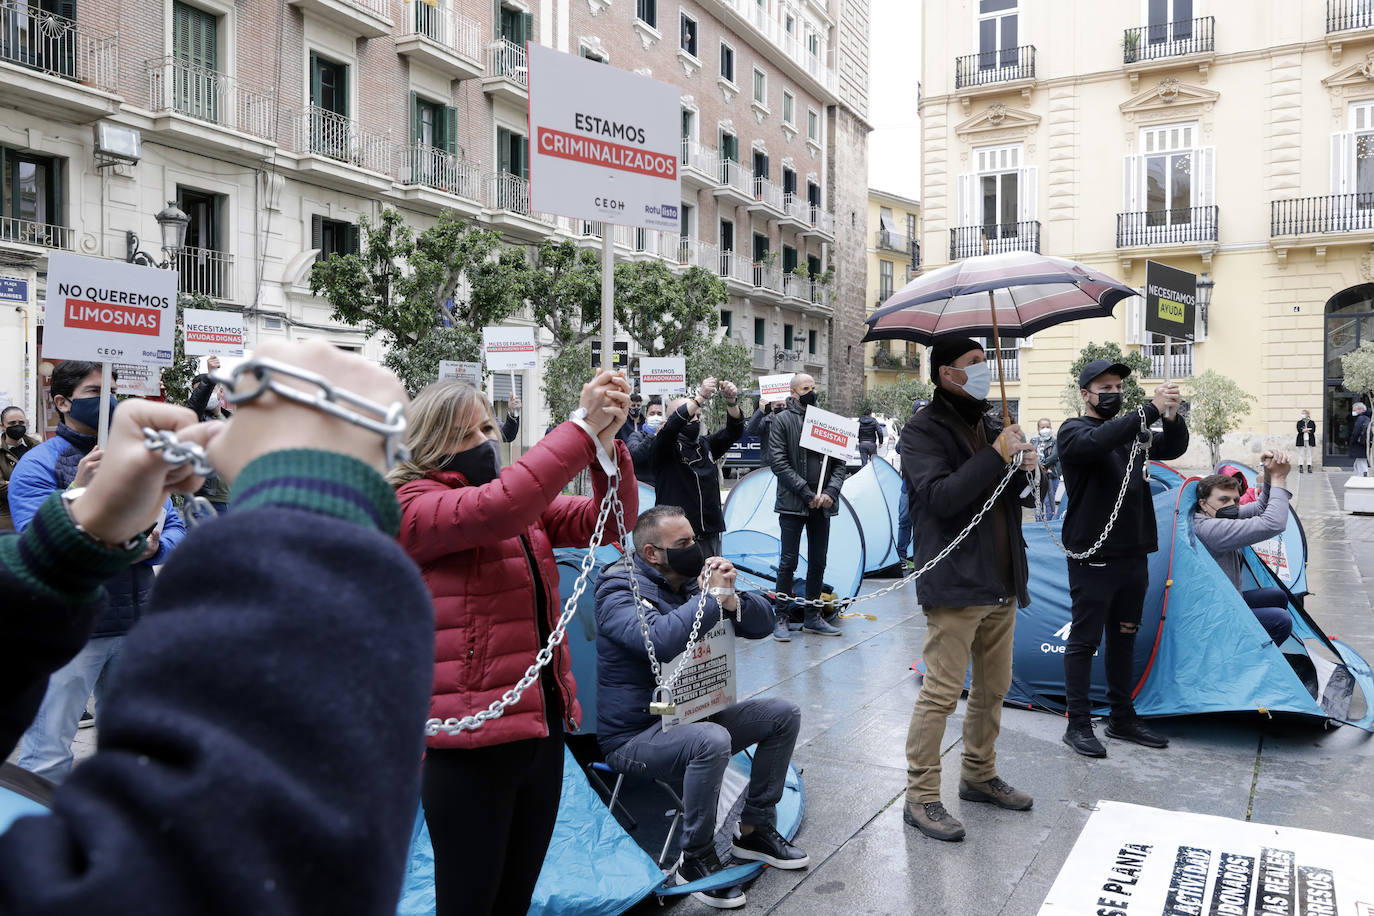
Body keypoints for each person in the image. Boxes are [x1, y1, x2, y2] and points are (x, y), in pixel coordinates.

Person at [0, 341, 434, 914]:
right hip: (99, 628)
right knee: (52, 744)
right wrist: (311, 506)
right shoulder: (37, 463)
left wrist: (79, 539)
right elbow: (218, 869)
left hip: (119, 611)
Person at [390, 369, 636, 916]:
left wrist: (607, 446)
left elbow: (611, 521)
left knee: (515, 898)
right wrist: (577, 427)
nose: (488, 442)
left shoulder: (515, 505)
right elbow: (502, 506)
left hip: (539, 732)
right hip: (469, 749)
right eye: (468, 434)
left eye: (487, 429)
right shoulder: (410, 507)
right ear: (429, 444)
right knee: (469, 902)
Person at [595, 505, 807, 908]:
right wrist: (711, 597)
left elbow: (761, 625)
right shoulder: (617, 589)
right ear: (653, 553)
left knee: (782, 713)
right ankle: (695, 857)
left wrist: (730, 600)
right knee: (711, 739)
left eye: (694, 538)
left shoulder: (692, 582)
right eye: (684, 543)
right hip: (636, 734)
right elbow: (657, 640)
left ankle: (755, 828)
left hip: (694, 712)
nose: (696, 548)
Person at [8, 361, 187, 782]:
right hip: (70, 630)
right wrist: (77, 494)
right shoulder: (37, 464)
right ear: (61, 402)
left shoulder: (137, 461)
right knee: (48, 754)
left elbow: (175, 528)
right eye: (94, 392)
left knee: (129, 750)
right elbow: (38, 543)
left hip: (135, 624)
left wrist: (155, 546)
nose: (107, 399)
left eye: (111, 388)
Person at [898, 336, 1039, 842]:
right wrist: (994, 456)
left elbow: (1013, 499)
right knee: (940, 693)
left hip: (1000, 579)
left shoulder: (993, 422)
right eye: (974, 363)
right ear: (946, 374)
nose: (985, 369)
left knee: (994, 688)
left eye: (987, 361)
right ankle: (921, 796)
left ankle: (979, 775)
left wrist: (1023, 469)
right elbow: (941, 498)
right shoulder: (921, 431)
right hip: (956, 583)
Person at [1056, 359, 1189, 758]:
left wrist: (1171, 414)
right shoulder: (1072, 431)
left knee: (1124, 636)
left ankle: (1121, 717)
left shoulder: (1134, 432)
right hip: (1093, 555)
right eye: (1105, 387)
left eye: (1118, 387)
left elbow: (1175, 447)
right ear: (1085, 394)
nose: (1113, 393)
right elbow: (1096, 443)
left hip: (1134, 552)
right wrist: (1147, 410)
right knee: (1084, 640)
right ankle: (1077, 724)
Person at [768, 373, 847, 641]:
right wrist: (805, 491)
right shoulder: (782, 421)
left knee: (818, 561)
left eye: (814, 387)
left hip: (822, 506)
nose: (811, 391)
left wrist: (830, 492)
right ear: (793, 392)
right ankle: (781, 616)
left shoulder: (828, 421)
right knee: (787, 562)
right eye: (805, 388)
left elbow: (840, 463)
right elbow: (778, 462)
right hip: (793, 505)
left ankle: (813, 617)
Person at [1193, 453, 1296, 646]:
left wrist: (1267, 475)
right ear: (1203, 504)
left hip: (1228, 598)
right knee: (1280, 621)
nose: (1232, 506)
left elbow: (1261, 508)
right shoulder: (1209, 529)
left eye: (1236, 500)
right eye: (1224, 500)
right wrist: (1279, 479)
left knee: (1277, 595)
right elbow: (1272, 523)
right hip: (1214, 614)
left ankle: (1257, 646)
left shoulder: (1219, 515)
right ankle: (1244, 660)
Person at [651, 377, 744, 558]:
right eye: (692, 415)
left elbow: (734, 432)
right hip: (677, 535)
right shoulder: (663, 448)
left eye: (699, 417)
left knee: (710, 581)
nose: (696, 421)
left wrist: (731, 402)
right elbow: (671, 429)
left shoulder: (705, 444)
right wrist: (700, 397)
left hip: (709, 532)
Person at [186, 356, 234, 514]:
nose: (206, 396)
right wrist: (211, 377)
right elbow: (196, 404)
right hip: (204, 500)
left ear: (221, 392)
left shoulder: (233, 421)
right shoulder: (196, 420)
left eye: (210, 391)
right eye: (199, 392)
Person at [1, 405, 39, 531]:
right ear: (2, 426)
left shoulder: (37, 447)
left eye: (21, 422)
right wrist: (31, 483)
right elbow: (1, 488)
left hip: (35, 513)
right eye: (12, 423)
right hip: (7, 517)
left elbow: (46, 478)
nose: (17, 426)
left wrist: (13, 483)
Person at [628, 398, 665, 486]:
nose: (656, 416)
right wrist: (654, 435)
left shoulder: (671, 437)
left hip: (664, 489)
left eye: (659, 414)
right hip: (643, 489)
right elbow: (634, 455)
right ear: (646, 417)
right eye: (652, 413)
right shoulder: (636, 436)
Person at [1034, 418, 1062, 521]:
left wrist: (1043, 465)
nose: (1045, 429)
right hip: (1037, 476)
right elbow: (1031, 454)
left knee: (1049, 501)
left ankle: (1050, 523)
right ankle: (1038, 523)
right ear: (1038, 429)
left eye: (1048, 427)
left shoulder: (1055, 442)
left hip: (1051, 475)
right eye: (1043, 427)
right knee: (1037, 500)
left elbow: (1054, 456)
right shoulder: (1034, 441)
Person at [746, 398, 786, 465]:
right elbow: (751, 429)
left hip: (787, 463)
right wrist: (760, 410)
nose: (781, 408)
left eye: (784, 405)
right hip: (769, 464)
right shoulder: (765, 421)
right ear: (772, 407)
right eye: (779, 405)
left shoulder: (791, 421)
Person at [1351, 402, 1371, 477]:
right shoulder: (1367, 418)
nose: (1353, 412)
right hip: (1364, 443)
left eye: (1355, 410)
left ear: (1361, 410)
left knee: (1361, 462)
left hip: (1359, 444)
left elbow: (1356, 432)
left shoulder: (1361, 418)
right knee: (1357, 463)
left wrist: (1352, 441)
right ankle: (1360, 477)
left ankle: (1364, 476)